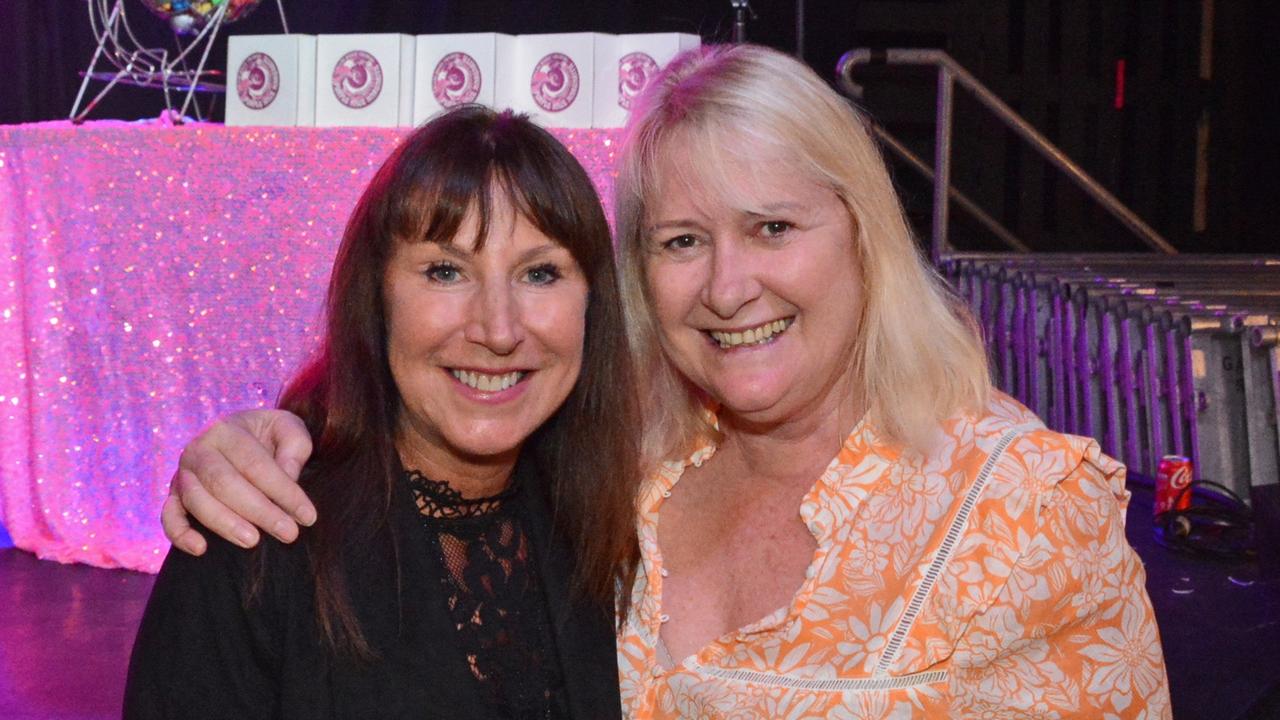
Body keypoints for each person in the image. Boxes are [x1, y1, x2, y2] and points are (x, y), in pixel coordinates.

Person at [161, 45, 1171, 718]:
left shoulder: (1020, 503)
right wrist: (277, 429)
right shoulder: (624, 473)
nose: (730, 287)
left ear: (863, 235)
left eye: (772, 227)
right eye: (681, 240)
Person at [124, 106, 642, 719]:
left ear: (592, 304)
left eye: (540, 272)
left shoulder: (612, 519)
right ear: (379, 297)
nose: (498, 329)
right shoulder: (256, 536)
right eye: (446, 271)